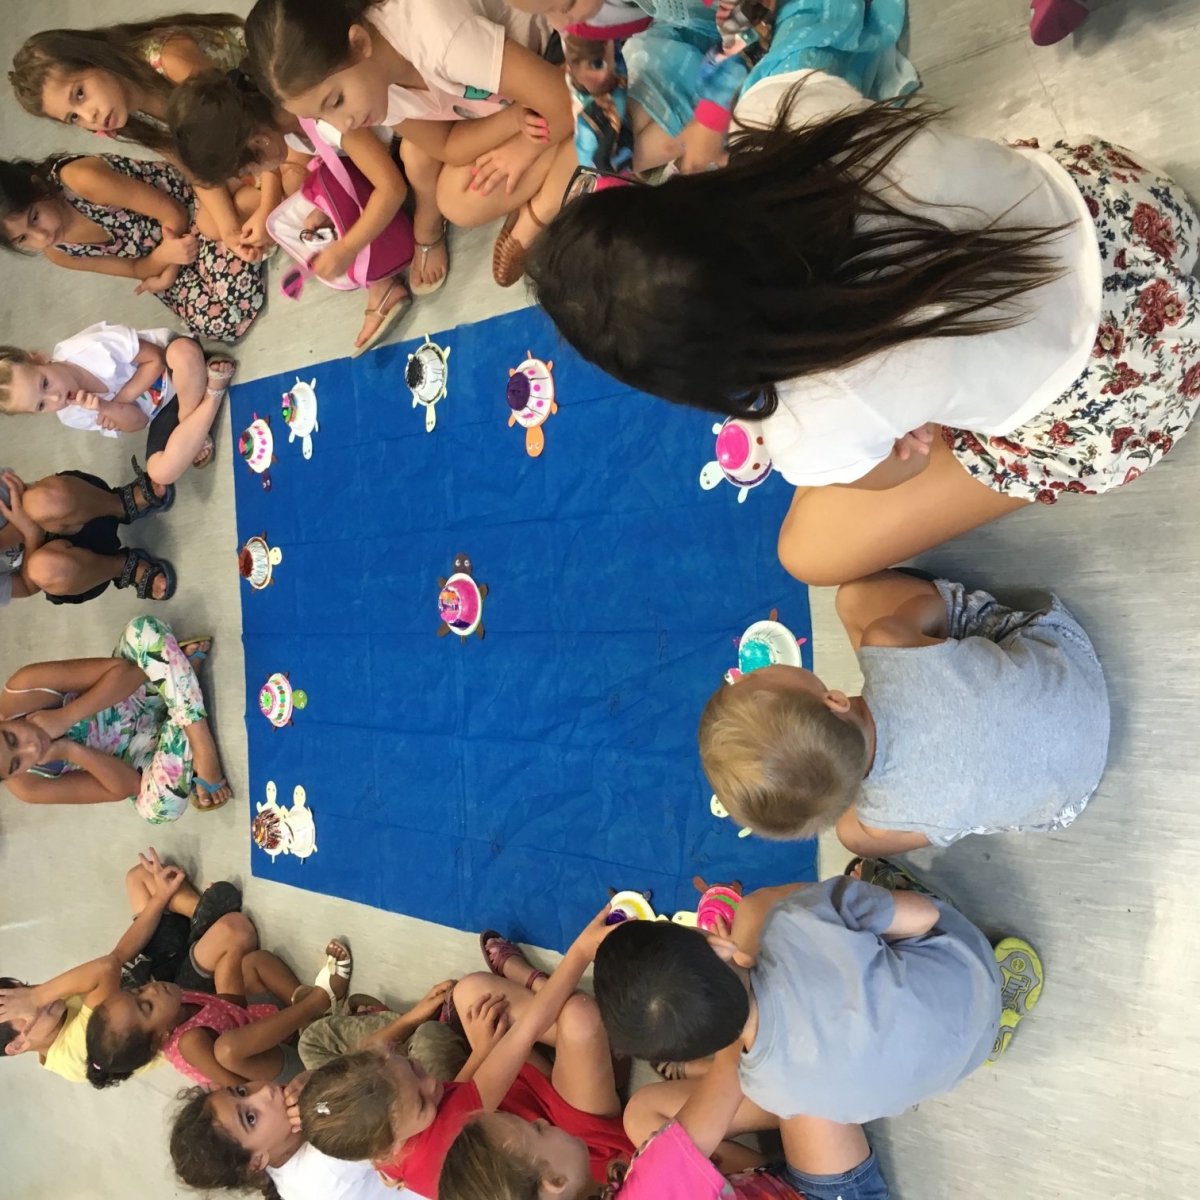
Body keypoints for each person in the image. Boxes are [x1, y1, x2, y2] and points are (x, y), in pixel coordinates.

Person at [527, 69, 1200, 586]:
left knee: (807, 553)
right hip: (1131, 207)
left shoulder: (804, 424)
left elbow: (905, 464)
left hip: (1139, 379)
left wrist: (898, 421)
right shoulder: (779, 109)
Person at [701, 568, 1111, 854]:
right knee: (853, 599)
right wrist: (904, 645)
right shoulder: (884, 640)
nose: (747, 674)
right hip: (1072, 666)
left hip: (1066, 796)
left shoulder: (881, 820)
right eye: (756, 677)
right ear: (835, 701)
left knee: (855, 836)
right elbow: (933, 609)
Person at [593, 877, 1043, 1124]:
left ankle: (991, 1027)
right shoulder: (795, 919)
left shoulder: (766, 1090)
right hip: (972, 972)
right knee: (870, 904)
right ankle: (993, 986)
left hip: (957, 1061)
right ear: (720, 943)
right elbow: (924, 916)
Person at [297, 909, 633, 1199]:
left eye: (414, 1068)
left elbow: (461, 1093)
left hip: (515, 1112)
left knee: (471, 992)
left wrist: (483, 1052)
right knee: (578, 1017)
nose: (433, 1085)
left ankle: (596, 1048)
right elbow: (526, 1031)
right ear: (387, 1147)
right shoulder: (451, 1128)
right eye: (422, 1102)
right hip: (575, 1148)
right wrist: (581, 952)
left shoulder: (381, 1146)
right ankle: (536, 984)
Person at [244, 0, 576, 289]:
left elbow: (566, 99)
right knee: (457, 202)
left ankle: (542, 206)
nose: (342, 125)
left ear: (359, 43)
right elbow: (447, 145)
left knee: (593, 112)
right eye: (320, 118)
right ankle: (559, 171)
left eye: (336, 101)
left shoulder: (438, 39)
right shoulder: (375, 79)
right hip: (526, 99)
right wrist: (514, 121)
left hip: (568, 58)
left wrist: (525, 149)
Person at [168, 68, 417, 354]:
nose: (254, 176)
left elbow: (392, 189)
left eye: (248, 170)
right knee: (308, 201)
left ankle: (425, 234)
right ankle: (379, 282)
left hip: (407, 144)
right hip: (377, 155)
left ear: (259, 141)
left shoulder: (322, 115)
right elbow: (332, 163)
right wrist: (323, 208)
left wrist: (347, 248)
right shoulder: (285, 122)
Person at [441, 1043, 891, 1200]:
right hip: (827, 1194)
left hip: (754, 1185)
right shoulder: (651, 1181)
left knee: (642, 1113)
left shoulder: (635, 1179)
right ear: (554, 1180)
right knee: (786, 1049)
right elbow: (732, 1062)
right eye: (537, 1129)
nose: (544, 1122)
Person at [8, 12, 269, 262]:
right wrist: (230, 231)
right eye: (73, 117)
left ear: (94, 58)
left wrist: (267, 205)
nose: (90, 116)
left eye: (79, 93)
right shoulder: (123, 112)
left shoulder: (169, 60)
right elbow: (192, 169)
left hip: (272, 114)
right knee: (211, 225)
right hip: (236, 144)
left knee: (256, 197)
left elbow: (263, 126)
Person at [0, 848, 249, 1083]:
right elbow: (107, 968)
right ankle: (206, 923)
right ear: (18, 1045)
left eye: (26, 987)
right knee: (234, 931)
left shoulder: (53, 1009)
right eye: (23, 1006)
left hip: (152, 976)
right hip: (175, 1002)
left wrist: (161, 897)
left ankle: (201, 916)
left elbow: (117, 957)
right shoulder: (73, 1053)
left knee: (139, 877)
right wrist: (36, 996)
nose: (35, 993)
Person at [0, 152, 265, 344]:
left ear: (38, 185)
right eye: (23, 239)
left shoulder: (81, 181)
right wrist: (164, 260)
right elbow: (136, 268)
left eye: (35, 217)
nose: (42, 237)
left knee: (235, 294)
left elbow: (174, 214)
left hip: (190, 211)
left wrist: (169, 270)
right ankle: (241, 218)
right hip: (163, 256)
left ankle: (240, 200)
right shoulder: (58, 252)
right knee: (219, 325)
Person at [0, 615, 233, 818]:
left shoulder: (25, 686)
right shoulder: (28, 787)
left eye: (12, 739)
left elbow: (130, 673)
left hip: (139, 690)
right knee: (159, 809)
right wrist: (70, 750)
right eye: (17, 763)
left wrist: (65, 716)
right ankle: (182, 681)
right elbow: (129, 786)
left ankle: (201, 745)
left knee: (142, 631)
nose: (31, 748)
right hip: (143, 754)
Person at [84, 939, 350, 1090]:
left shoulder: (174, 1001)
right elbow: (238, 1088)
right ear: (160, 1038)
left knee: (252, 963)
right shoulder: (189, 1044)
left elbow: (227, 1008)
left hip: (263, 1025)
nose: (151, 990)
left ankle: (316, 1018)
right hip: (279, 1067)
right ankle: (319, 1000)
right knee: (227, 1050)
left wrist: (231, 962)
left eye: (138, 990)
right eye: (147, 1006)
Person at [0, 325, 236, 481]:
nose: (55, 398)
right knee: (159, 473)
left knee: (184, 353)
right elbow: (140, 421)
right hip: (161, 410)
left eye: (45, 383)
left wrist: (120, 399)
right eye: (41, 406)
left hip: (174, 368)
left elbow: (155, 358)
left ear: (40, 358)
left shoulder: (88, 347)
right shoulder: (72, 415)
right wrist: (105, 407)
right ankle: (212, 394)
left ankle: (191, 425)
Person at [0, 465, 175, 604]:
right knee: (43, 570)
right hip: (78, 573)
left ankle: (121, 504)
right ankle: (122, 567)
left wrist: (15, 533)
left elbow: (17, 490)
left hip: (82, 507)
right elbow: (26, 587)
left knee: (39, 502)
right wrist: (31, 535)